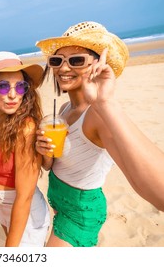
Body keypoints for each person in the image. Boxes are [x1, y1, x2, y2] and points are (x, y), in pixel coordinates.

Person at [35, 21, 164, 247]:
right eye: (57, 60)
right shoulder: (65, 110)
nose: (63, 69)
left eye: (76, 60)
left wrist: (105, 103)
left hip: (80, 214)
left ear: (97, 64)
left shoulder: (97, 116)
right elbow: (51, 165)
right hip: (60, 203)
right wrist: (45, 153)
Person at [0, 51, 50, 247]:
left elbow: (24, 197)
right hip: (1, 207)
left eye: (20, 87)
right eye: (3, 86)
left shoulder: (26, 129)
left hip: (25, 211)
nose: (13, 95)